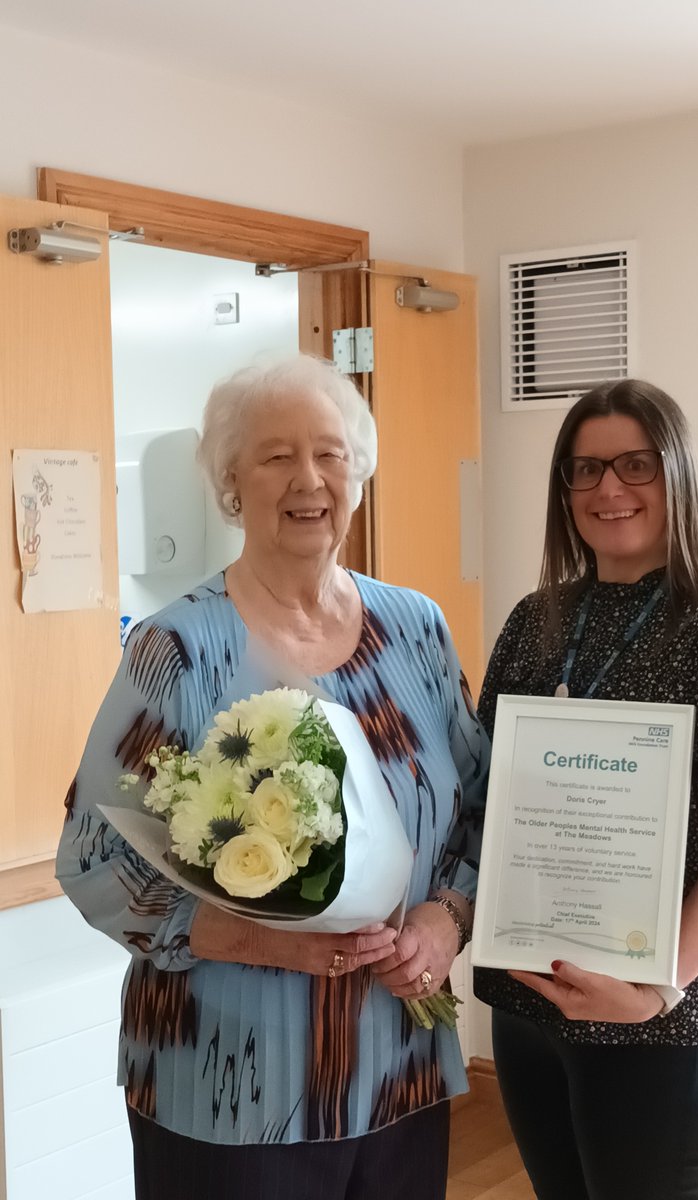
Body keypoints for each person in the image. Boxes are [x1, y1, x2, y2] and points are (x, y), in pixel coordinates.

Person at [56, 354, 488, 1200]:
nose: (309, 480)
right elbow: (93, 857)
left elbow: (476, 811)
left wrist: (444, 923)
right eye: (275, 456)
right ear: (230, 483)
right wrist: (271, 941)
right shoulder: (177, 650)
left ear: (358, 472)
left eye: (330, 454)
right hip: (226, 1077)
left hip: (399, 1062)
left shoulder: (417, 630)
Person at [474, 379, 698, 1200]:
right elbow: (490, 796)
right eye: (584, 470)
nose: (608, 490)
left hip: (659, 1020)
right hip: (531, 1002)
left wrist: (655, 991)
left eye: (633, 465)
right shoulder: (534, 620)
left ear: (677, 477)